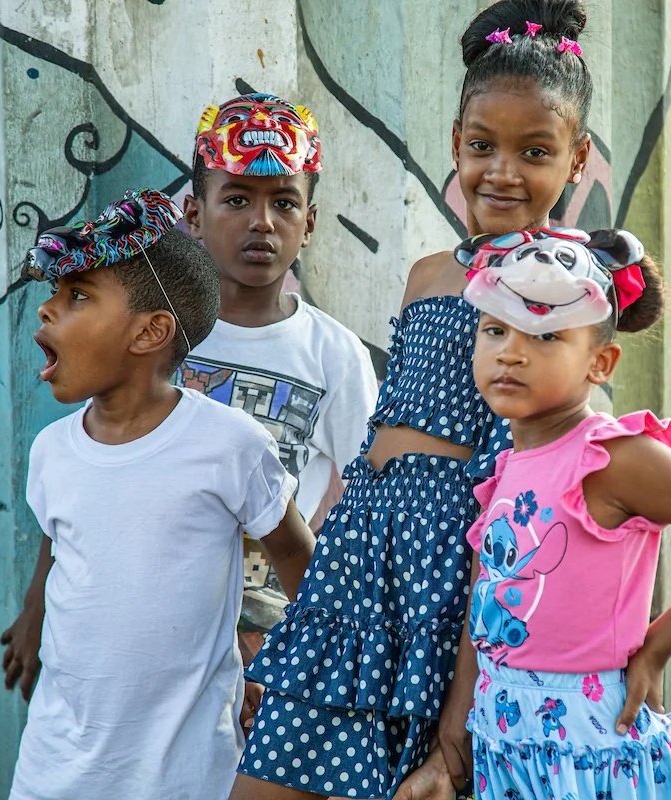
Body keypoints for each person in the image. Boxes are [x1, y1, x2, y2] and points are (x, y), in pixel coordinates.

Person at [231, 2, 596, 798]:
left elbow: (540, 469)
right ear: (455, 146)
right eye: (481, 146)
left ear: (577, 160)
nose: (501, 171)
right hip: (362, 553)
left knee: (417, 774)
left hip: (452, 559)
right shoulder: (430, 273)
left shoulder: (561, 286)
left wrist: (460, 720)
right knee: (270, 775)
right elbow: (383, 434)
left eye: (534, 151)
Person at [429, 227, 671, 799]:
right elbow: (490, 597)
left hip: (592, 745)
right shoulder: (508, 464)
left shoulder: (610, 458)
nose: (511, 351)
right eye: (495, 330)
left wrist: (657, 646)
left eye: (546, 335)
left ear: (600, 362)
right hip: (506, 740)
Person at [0, 188, 316, 800]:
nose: (46, 311)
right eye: (55, 295)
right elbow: (57, 540)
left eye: (77, 297)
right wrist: (33, 611)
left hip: (184, 770)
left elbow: (297, 555)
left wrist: (296, 676)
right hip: (55, 765)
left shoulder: (229, 444)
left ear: (150, 332)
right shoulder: (52, 451)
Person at [180, 93, 378, 636]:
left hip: (272, 648)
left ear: (309, 224)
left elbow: (370, 499)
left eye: (285, 204)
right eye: (237, 199)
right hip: (156, 634)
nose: (262, 222)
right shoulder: (157, 335)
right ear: (194, 214)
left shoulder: (333, 355)